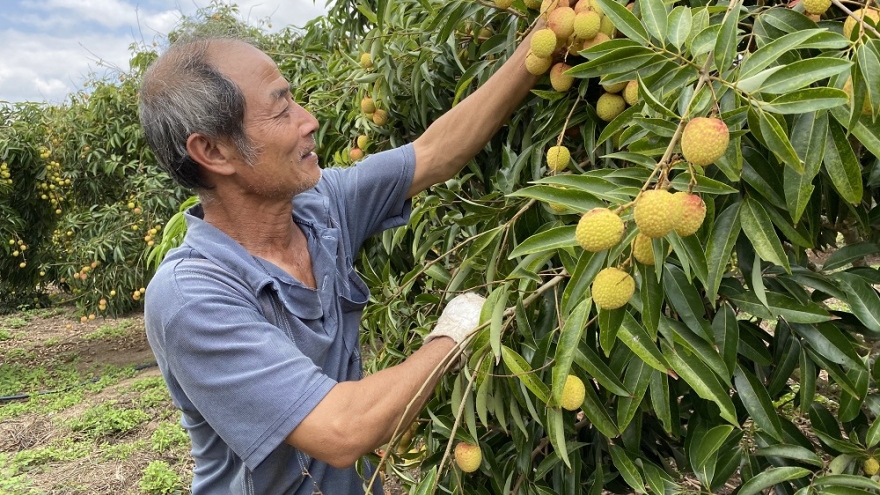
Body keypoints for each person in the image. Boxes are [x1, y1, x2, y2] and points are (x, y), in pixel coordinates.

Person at [138, 20, 540, 495]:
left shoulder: (321, 209)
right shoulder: (192, 296)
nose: (309, 120)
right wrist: (452, 335)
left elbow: (436, 152)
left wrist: (538, 46)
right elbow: (341, 429)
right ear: (213, 150)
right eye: (281, 108)